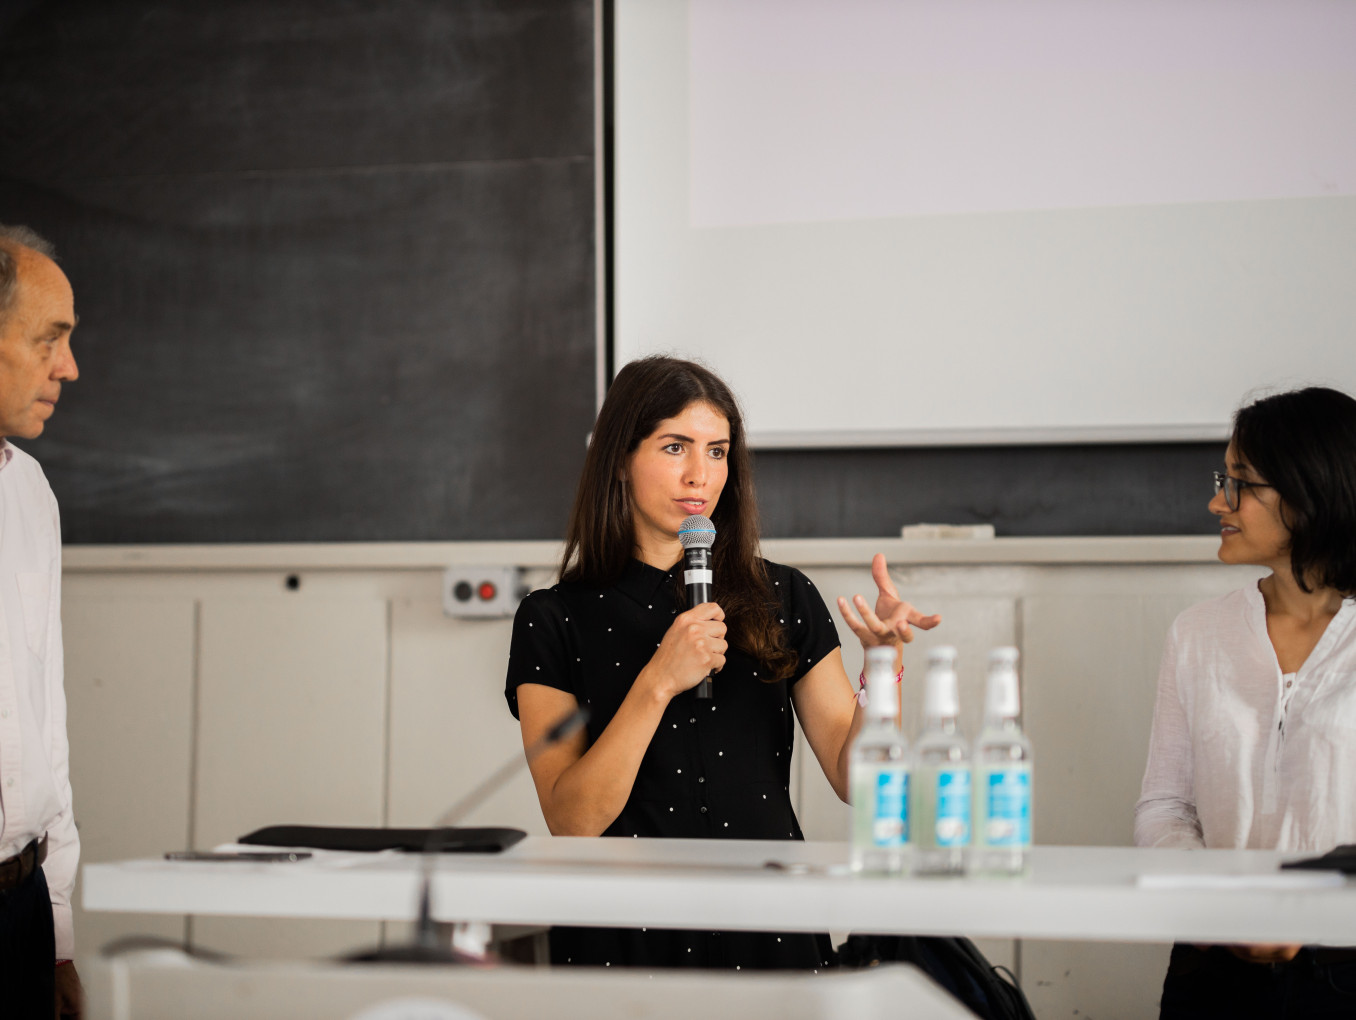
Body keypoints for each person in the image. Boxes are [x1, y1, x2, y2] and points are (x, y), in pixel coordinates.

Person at [504, 355, 939, 970]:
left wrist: (884, 666)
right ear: (620, 461)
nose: (698, 475)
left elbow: (856, 782)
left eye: (717, 451)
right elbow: (573, 818)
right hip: (622, 933)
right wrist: (658, 680)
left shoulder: (783, 596)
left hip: (769, 921)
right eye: (675, 446)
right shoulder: (551, 618)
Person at [1134, 386, 1356, 1018]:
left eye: (1240, 484)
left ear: (1311, 491)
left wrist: (1303, 913)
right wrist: (1221, 905)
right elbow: (1165, 806)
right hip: (1211, 972)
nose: (1216, 502)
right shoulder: (1199, 631)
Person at [0, 224, 84, 1018]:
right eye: (48, 340)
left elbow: (45, 715)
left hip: (19, 904)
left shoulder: (30, 491)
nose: (69, 368)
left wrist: (57, 929)